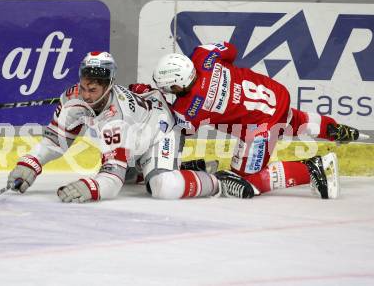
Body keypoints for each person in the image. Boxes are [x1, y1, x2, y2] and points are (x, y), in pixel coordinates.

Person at [6, 51, 256, 203]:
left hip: (161, 132)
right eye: (83, 86)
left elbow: (111, 181)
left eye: (93, 90)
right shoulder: (72, 98)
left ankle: (218, 181)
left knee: (162, 187)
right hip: (136, 141)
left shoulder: (118, 117)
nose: (86, 95)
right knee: (129, 176)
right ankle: (180, 167)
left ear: (108, 86)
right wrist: (30, 163)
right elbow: (55, 141)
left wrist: (92, 187)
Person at [130, 42, 368, 199]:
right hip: (274, 94)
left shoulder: (191, 106)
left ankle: (315, 169)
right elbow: (230, 50)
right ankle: (333, 128)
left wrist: (151, 93)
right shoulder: (203, 56)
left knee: (246, 180)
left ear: (179, 83)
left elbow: (180, 126)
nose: (169, 91)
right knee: (292, 120)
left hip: (262, 125)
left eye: (169, 87)